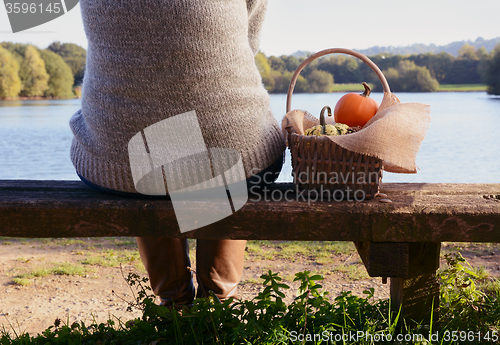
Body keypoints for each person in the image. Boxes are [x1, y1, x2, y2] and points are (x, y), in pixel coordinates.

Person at [70, 0, 285, 307]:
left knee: (156, 149)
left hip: (125, 159)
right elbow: (248, 40)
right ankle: (217, 301)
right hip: (229, 151)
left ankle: (174, 304)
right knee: (216, 145)